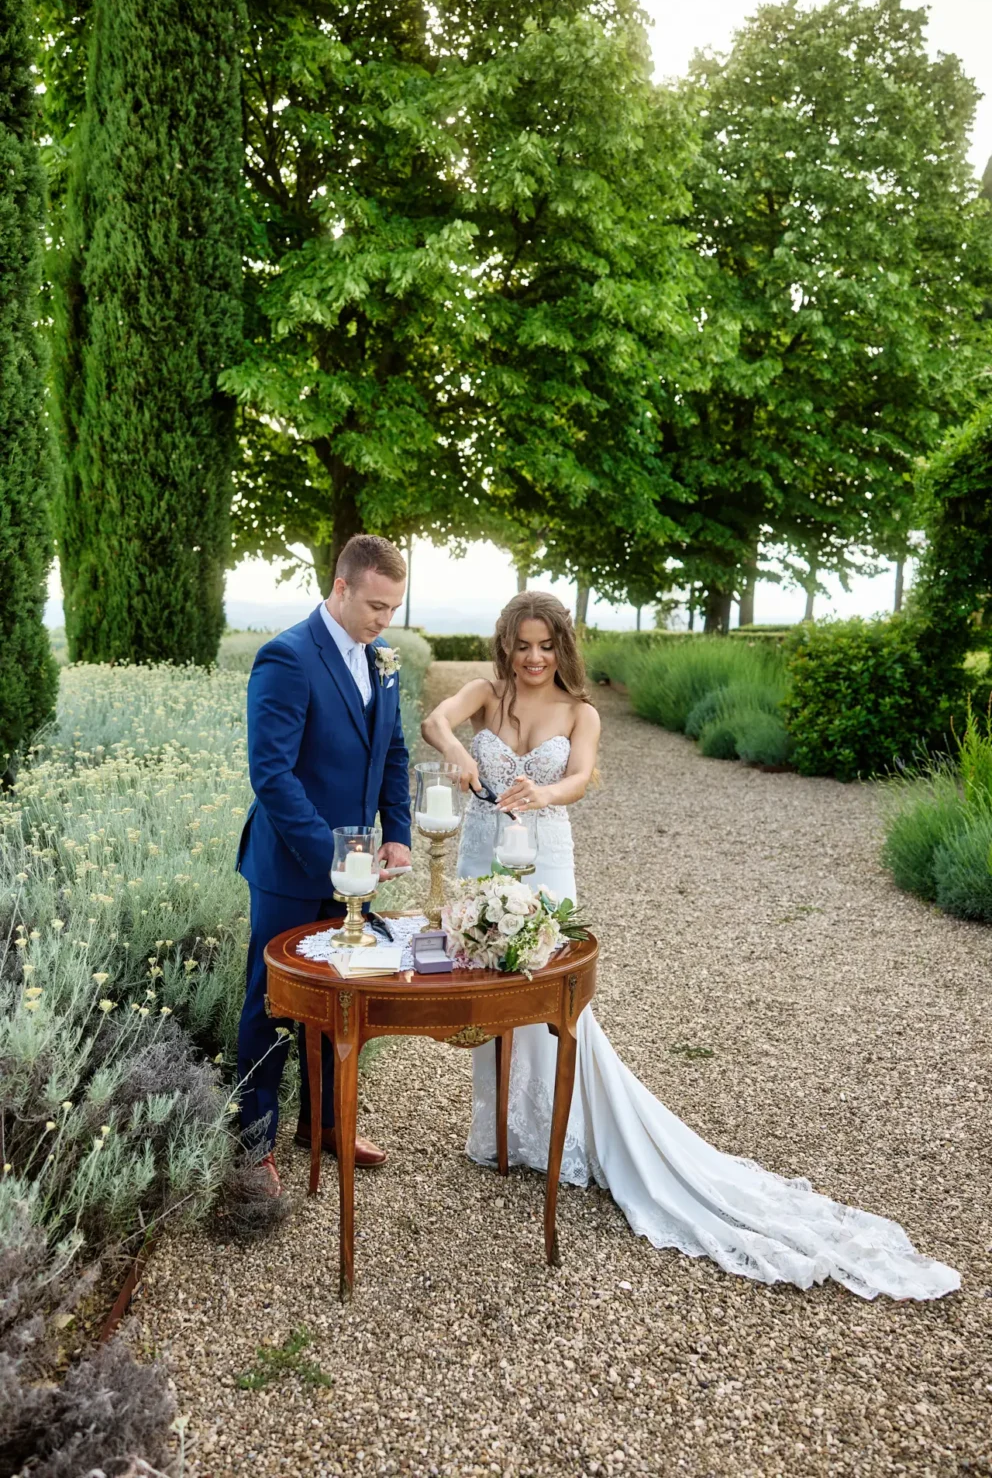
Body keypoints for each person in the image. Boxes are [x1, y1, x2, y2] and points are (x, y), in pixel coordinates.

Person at [421, 591, 959, 1300]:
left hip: (543, 854)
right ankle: (504, 1135)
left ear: (562, 647)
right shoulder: (486, 694)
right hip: (482, 851)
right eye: (522, 645)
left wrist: (543, 795)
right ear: (506, 645)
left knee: (546, 990)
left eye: (545, 645)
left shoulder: (581, 712)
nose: (533, 658)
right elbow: (434, 720)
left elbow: (578, 776)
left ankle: (564, 1132)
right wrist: (459, 751)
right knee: (489, 981)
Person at [236, 534, 412, 1195]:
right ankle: (253, 1148)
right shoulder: (286, 656)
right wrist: (332, 858)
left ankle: (327, 1125)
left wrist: (398, 833)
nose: (384, 621)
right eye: (375, 606)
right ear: (341, 588)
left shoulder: (384, 659)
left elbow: (393, 751)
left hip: (357, 866)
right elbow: (272, 775)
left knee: (344, 998)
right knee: (272, 1003)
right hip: (289, 866)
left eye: (393, 609)